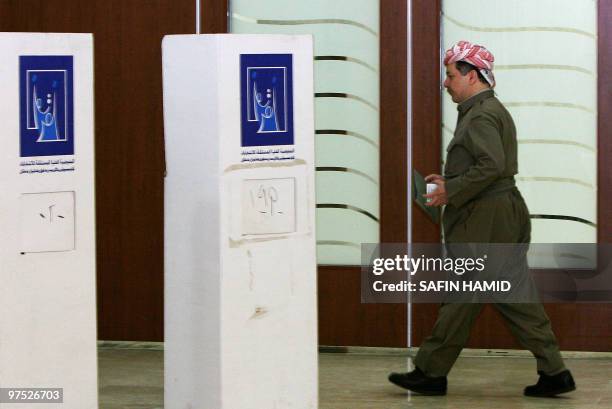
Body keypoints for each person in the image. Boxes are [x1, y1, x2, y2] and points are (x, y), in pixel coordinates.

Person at [388, 41, 576, 397]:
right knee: (514, 294)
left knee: (462, 292)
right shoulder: (486, 109)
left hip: (484, 218)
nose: (445, 83)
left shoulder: (482, 114)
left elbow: (492, 165)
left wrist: (451, 191)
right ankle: (554, 371)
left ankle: (430, 371)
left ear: (471, 76)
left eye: (450, 75)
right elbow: (490, 167)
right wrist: (451, 182)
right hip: (500, 212)